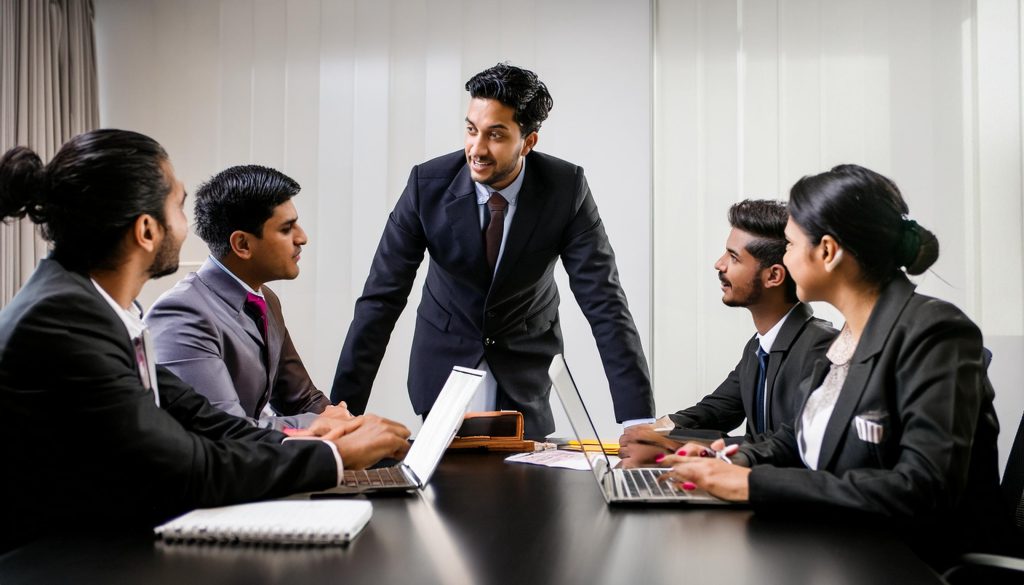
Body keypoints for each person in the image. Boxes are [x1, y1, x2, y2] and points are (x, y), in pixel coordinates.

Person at [0, 130, 410, 552]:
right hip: (51, 558)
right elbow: (187, 467)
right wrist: (334, 458)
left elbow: (205, 420)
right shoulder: (64, 319)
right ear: (146, 230)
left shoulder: (96, 308)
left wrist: (310, 438)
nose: (187, 225)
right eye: (178, 206)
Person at [659, 164, 1001, 565]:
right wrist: (733, 459)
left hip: (914, 566)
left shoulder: (935, 332)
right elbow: (796, 439)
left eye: (788, 244)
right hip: (840, 552)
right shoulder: (846, 339)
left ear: (827, 251)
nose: (785, 259)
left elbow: (921, 488)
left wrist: (753, 484)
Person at [331, 63, 654, 437]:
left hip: (524, 371)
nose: (477, 149)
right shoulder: (427, 186)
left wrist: (638, 418)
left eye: (495, 135)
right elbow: (380, 299)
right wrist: (345, 412)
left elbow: (604, 301)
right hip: (444, 367)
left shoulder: (567, 189)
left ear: (528, 142)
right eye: (471, 130)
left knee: (523, 490)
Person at [618, 200, 836, 467]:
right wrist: (658, 430)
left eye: (733, 257)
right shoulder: (759, 347)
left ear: (774, 276)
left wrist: (677, 445)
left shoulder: (818, 348)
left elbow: (787, 445)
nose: (719, 265)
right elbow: (718, 409)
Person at [146, 165, 348, 430]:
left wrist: (356, 427)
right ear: (242, 244)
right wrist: (322, 424)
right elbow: (227, 431)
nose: (302, 238)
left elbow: (302, 398)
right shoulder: (181, 313)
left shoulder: (267, 299)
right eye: (287, 228)